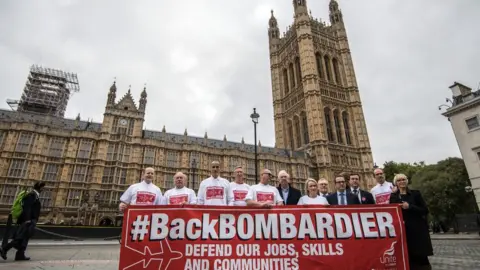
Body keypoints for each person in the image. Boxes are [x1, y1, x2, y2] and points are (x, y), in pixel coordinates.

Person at [389, 173, 433, 270]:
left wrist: (410, 207)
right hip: (404, 231)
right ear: (396, 183)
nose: (402, 182)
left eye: (403, 179)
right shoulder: (394, 197)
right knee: (407, 256)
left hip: (417, 230)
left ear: (407, 181)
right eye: (399, 180)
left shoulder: (415, 193)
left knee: (421, 258)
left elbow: (425, 210)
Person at [0, 182, 45, 261]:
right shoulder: (31, 195)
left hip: (30, 220)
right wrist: (27, 219)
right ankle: (4, 249)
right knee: (19, 238)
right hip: (27, 220)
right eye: (43, 187)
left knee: (25, 238)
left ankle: (20, 255)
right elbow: (27, 208)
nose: (43, 189)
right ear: (40, 187)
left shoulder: (34, 196)